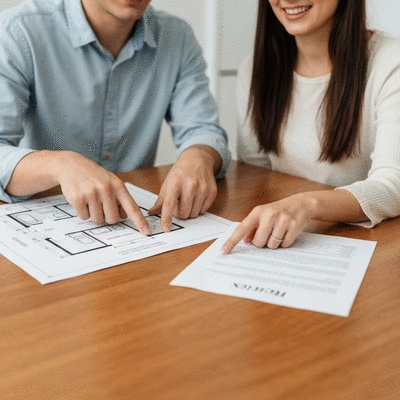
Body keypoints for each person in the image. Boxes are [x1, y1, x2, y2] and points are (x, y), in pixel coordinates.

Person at [0, 0, 231, 236]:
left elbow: (202, 129)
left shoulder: (177, 36)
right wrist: (60, 165)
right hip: (48, 225)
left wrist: (199, 156)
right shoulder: (17, 32)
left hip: (136, 228)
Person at [222, 0, 400, 254]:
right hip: (287, 244)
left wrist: (307, 204)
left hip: (370, 245)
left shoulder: (391, 62)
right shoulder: (254, 69)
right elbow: (254, 174)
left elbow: (393, 185)